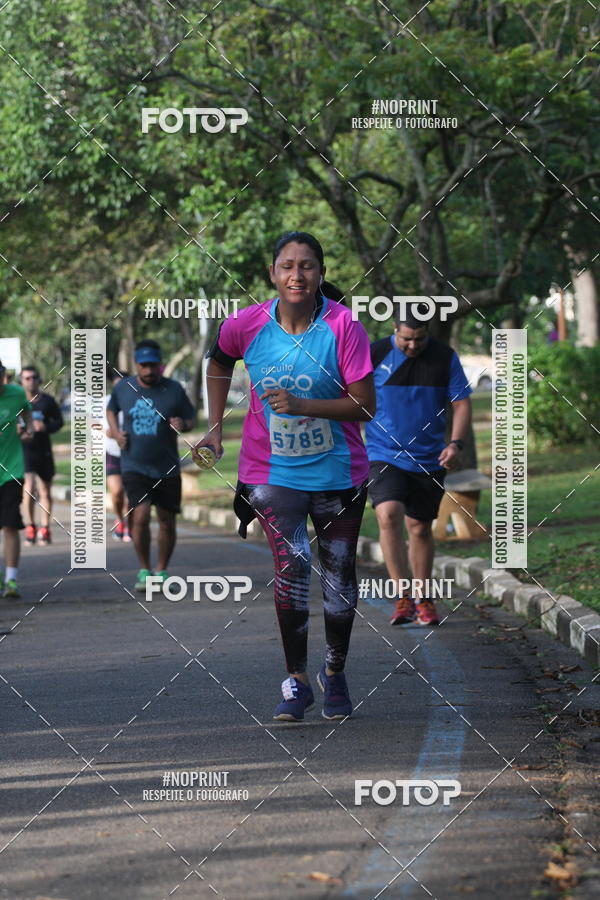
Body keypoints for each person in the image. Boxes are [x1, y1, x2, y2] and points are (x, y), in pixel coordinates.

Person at [194, 231, 375, 722]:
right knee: (292, 567)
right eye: (288, 266)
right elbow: (218, 360)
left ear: (320, 274)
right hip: (270, 472)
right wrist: (214, 430)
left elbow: (364, 405)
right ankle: (296, 681)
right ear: (272, 273)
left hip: (339, 471)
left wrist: (303, 406)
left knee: (339, 575)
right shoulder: (245, 324)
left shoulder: (344, 327)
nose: (298, 275)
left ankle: (333, 674)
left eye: (308, 266)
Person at [366, 305, 472, 627]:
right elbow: (350, 394)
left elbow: (461, 401)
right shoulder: (376, 353)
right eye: (406, 339)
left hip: (428, 457)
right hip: (383, 453)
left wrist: (455, 444)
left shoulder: (443, 357)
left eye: (419, 339)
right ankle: (402, 597)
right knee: (388, 514)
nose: (413, 345)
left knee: (420, 528)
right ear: (395, 329)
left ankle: (423, 597)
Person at [106, 341, 195, 592]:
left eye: (153, 365)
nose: (148, 371)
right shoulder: (124, 388)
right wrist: (115, 432)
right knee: (141, 516)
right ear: (137, 365)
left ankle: (162, 569)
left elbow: (191, 417)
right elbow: (111, 410)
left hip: (167, 467)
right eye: (144, 366)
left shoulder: (174, 389)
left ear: (160, 364)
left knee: (167, 519)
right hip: (134, 465)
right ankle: (144, 569)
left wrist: (183, 424)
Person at [20, 366, 64, 546]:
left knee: (45, 490)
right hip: (25, 450)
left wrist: (46, 427)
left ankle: (45, 528)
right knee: (29, 488)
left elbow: (59, 421)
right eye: (27, 378)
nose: (31, 381)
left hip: (43, 451)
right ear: (22, 381)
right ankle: (31, 526)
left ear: (39, 379)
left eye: (34, 377)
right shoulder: (18, 401)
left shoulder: (47, 401)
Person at [0, 359, 33, 598]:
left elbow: (26, 413)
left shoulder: (16, 394)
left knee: (10, 524)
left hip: (11, 469)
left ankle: (11, 580)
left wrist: (27, 429)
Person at [104, 370, 131, 542]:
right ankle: (120, 520)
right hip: (112, 452)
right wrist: (115, 434)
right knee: (117, 492)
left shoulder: (134, 401)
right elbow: (98, 427)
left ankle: (130, 525)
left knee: (131, 494)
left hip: (132, 452)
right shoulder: (104, 403)